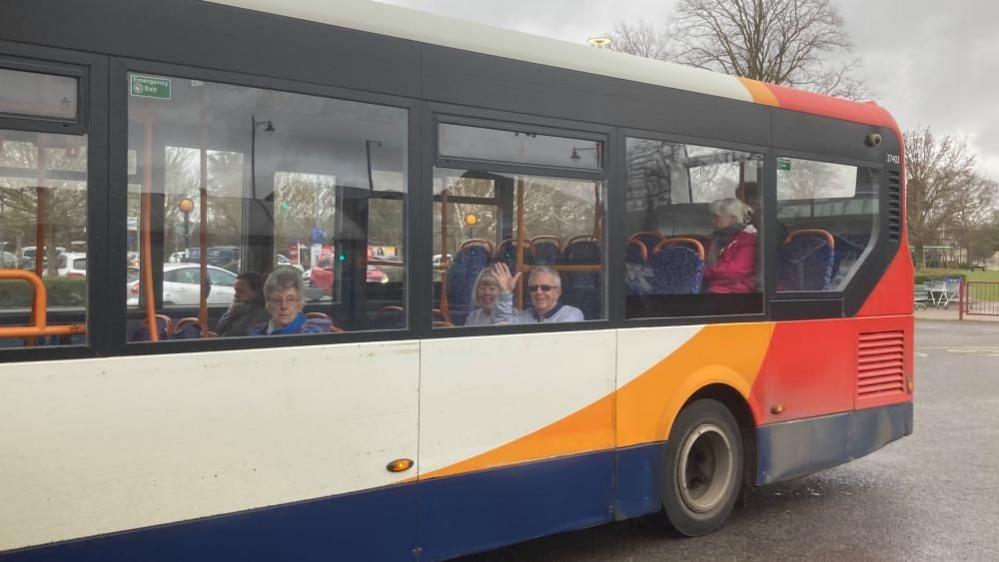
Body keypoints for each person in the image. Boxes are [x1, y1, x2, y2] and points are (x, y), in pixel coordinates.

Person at [492, 263, 584, 323]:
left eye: (545, 288)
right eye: (533, 288)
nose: (539, 292)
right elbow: (501, 326)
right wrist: (505, 293)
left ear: (558, 292)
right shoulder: (524, 316)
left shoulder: (571, 315)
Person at [250, 267, 332, 335]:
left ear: (299, 303)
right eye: (277, 300)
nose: (283, 306)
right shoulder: (257, 332)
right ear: (268, 303)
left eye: (290, 299)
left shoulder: (313, 333)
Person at [703, 198, 757, 294]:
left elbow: (736, 271)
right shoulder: (718, 238)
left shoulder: (747, 240)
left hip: (734, 289)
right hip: (713, 285)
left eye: (717, 217)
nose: (713, 221)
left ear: (733, 219)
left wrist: (705, 271)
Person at [215, 271, 271, 337]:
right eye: (236, 291)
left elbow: (243, 338)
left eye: (241, 291)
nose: (236, 295)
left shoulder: (261, 314)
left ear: (256, 292)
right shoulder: (236, 309)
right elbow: (219, 329)